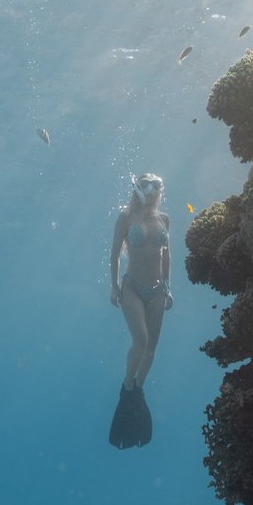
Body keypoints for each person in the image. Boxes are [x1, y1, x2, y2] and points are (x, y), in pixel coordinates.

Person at [108, 172, 172, 448]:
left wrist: (169, 287)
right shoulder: (125, 218)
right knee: (141, 340)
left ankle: (139, 390)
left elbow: (166, 255)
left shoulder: (164, 219)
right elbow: (113, 255)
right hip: (131, 287)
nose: (152, 191)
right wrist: (113, 287)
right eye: (146, 185)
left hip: (157, 290)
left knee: (152, 347)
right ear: (137, 189)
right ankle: (127, 386)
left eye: (156, 186)